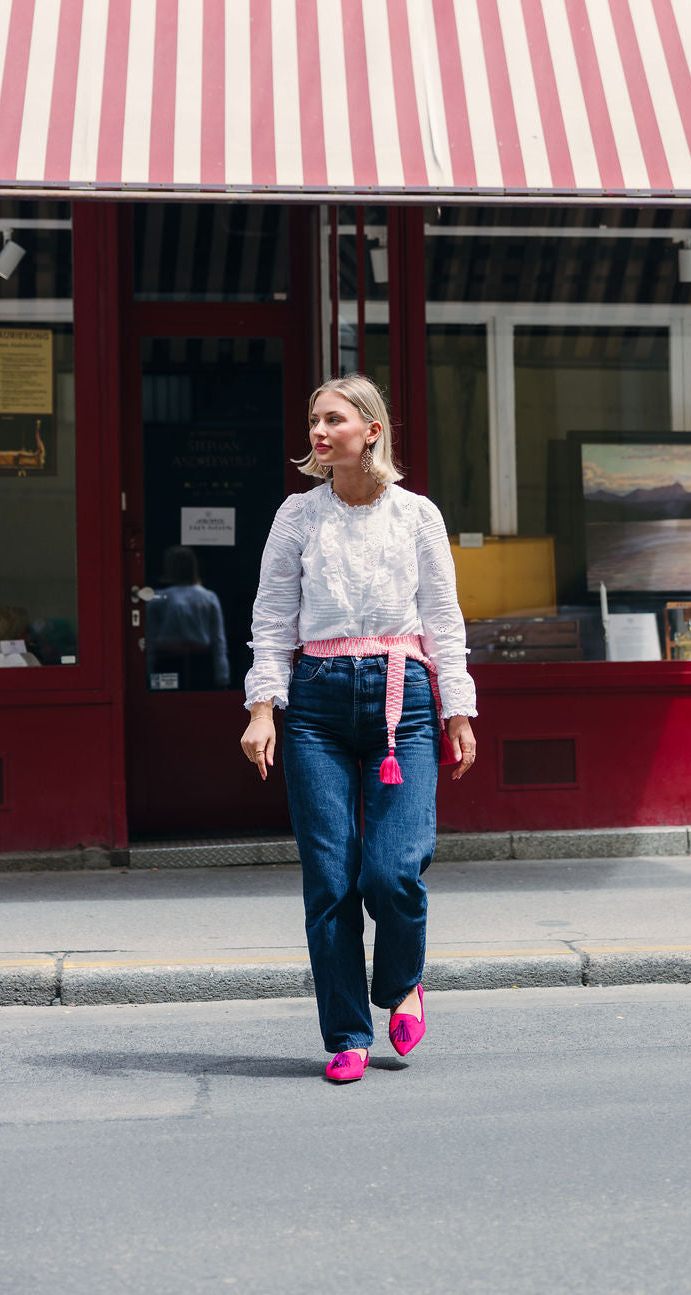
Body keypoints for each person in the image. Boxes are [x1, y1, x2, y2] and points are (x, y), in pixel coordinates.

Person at [240, 374, 477, 1084]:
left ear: (370, 429)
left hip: (401, 697)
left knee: (394, 869)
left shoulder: (417, 516)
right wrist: (262, 708)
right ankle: (346, 1032)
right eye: (314, 419)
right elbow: (272, 617)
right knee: (330, 879)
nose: (318, 430)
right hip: (316, 703)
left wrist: (457, 708)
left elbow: (444, 619)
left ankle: (402, 980)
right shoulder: (297, 516)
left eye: (333, 418)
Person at [146, 545, 230, 690]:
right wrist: (222, 677)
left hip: (169, 661)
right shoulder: (208, 597)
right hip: (193, 662)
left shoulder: (158, 598)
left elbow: (149, 639)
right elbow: (218, 640)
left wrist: (147, 673)